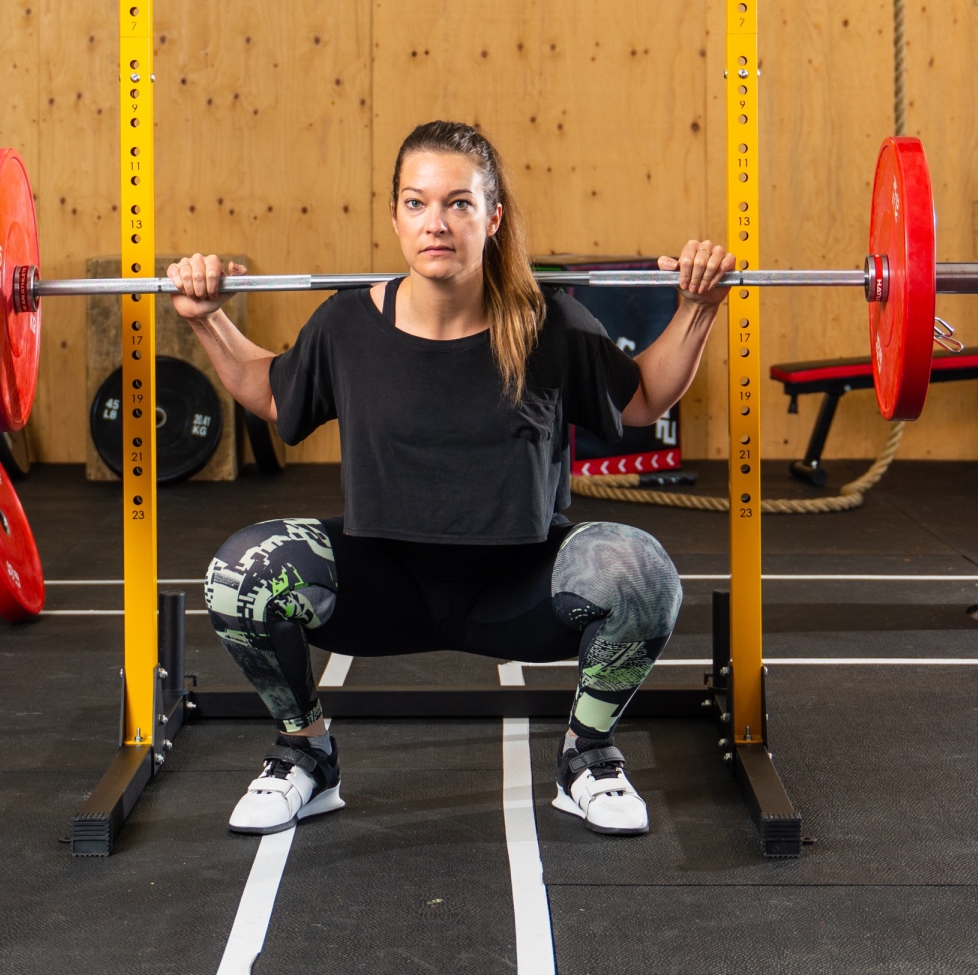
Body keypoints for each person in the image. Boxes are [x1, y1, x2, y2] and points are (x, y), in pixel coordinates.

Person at [167, 120, 733, 838]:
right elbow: (276, 393)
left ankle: (587, 755)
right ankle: (306, 755)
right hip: (384, 587)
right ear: (396, 217)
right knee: (241, 571)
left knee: (640, 570)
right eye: (416, 203)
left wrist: (698, 305)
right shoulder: (347, 324)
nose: (436, 223)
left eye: (459, 203)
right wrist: (206, 318)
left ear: (493, 218)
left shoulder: (547, 321)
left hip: (521, 589)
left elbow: (644, 397)